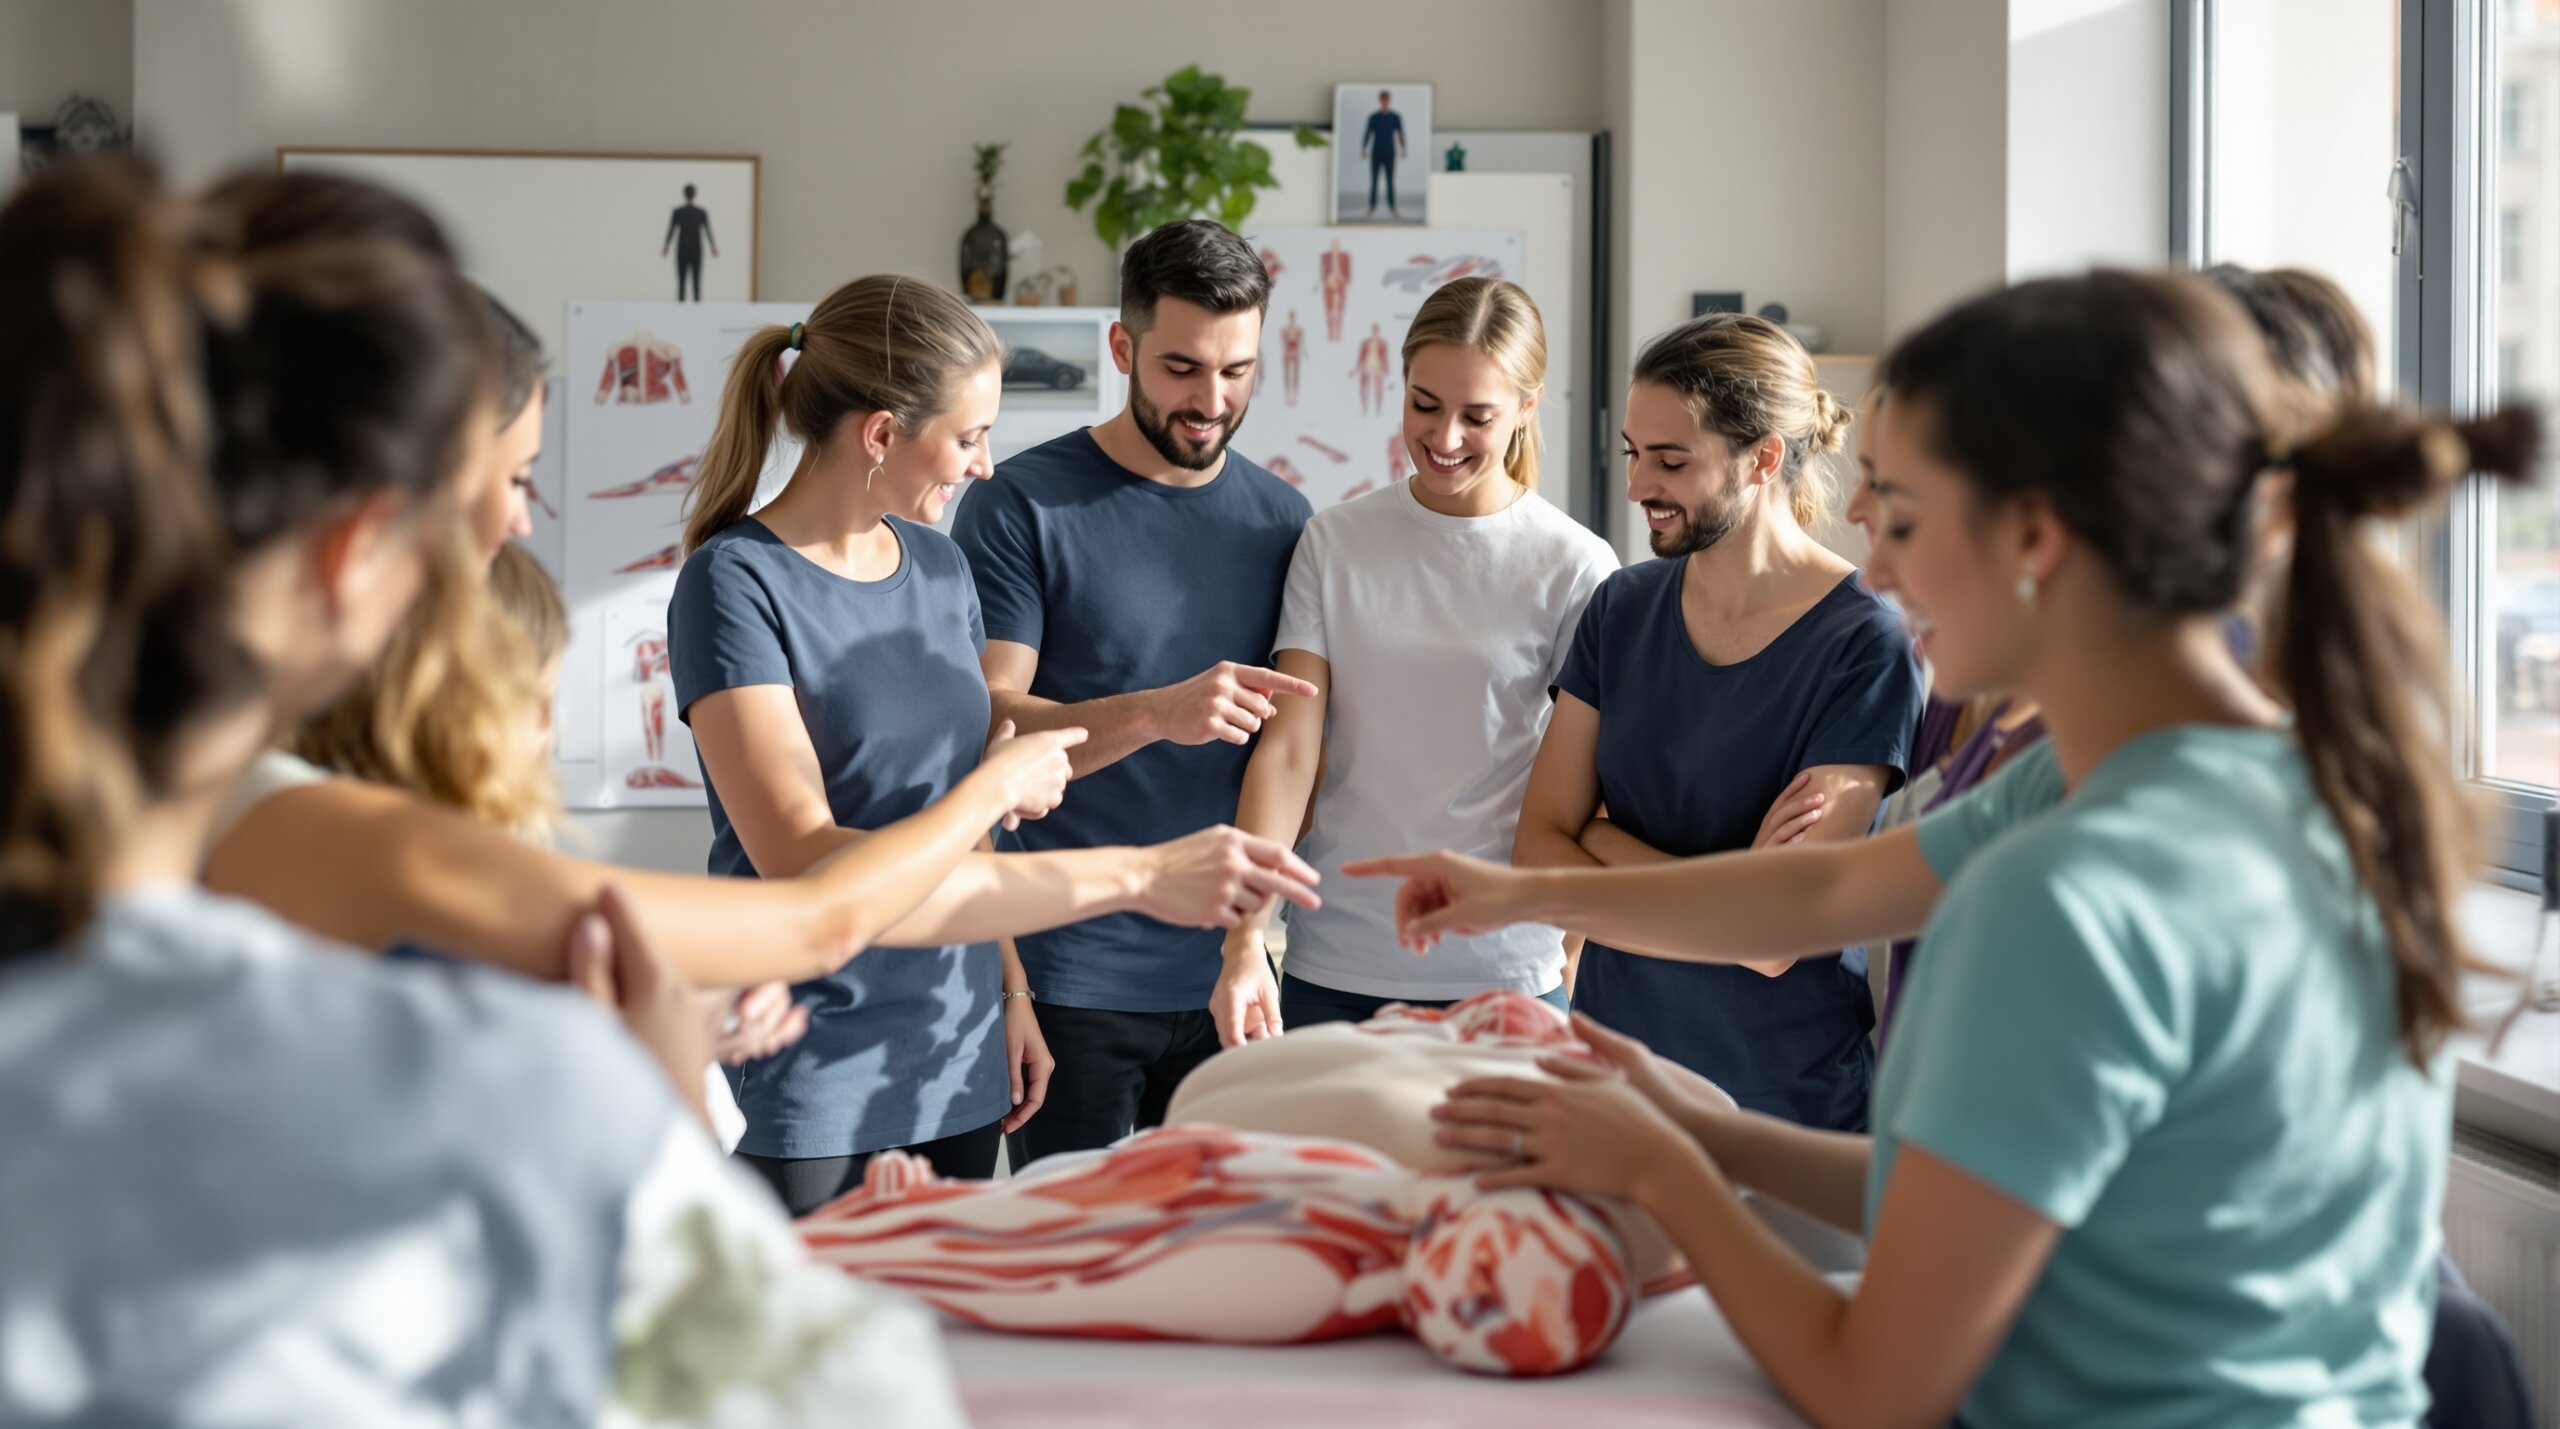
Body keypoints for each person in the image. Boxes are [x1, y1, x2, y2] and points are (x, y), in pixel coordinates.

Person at [1353, 268, 2541, 1427]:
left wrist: (1666, 1172)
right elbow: (1818, 894)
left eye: (1904, 518)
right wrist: (1673, 1106)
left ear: (2036, 534)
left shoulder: (2065, 891)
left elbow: (1874, 1387)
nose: (1874, 568)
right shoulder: (2267, 779)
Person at [0, 157, 965, 1426]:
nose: (511, 524)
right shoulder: (488, 1093)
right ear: (356, 558)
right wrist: (662, 1105)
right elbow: (847, 1402)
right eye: (503, 487)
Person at [675, 271, 1320, 1212]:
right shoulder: (734, 582)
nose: (984, 465)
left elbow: (984, 770)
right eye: (969, 437)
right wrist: (993, 787)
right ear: (883, 432)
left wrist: (1012, 988)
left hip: (957, 1053)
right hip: (812, 1066)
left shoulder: (935, 565)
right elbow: (806, 861)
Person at [953, 219, 1318, 1167]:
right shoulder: (1021, 503)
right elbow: (991, 724)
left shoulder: (1285, 521)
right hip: (1069, 975)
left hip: (1231, 981)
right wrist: (1159, 711)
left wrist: (1254, 941)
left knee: (1216, 1263)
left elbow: (1297, 748)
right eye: (1182, 368)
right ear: (1123, 347)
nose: (1212, 400)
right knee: (1072, 1267)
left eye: (1236, 370)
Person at [799, 991, 1685, 1377]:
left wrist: (925, 1231)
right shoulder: (1652, 1139)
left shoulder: (1417, 1224)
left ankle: (893, 1237)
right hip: (1439, 1100)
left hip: (1327, 1147)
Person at [1516, 312, 1921, 1132]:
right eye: (1633, 453)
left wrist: (1602, 839)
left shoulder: (1868, 641)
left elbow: (1777, 932)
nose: (1636, 487)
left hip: (1785, 1104)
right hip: (1613, 1079)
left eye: (1671, 460)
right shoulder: (1622, 609)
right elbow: (1536, 847)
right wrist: (1727, 892)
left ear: (1764, 457)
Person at [1210, 279, 1615, 1044]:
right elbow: (1291, 748)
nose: (1447, 436)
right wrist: (1246, 939)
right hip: (1337, 963)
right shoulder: (1334, 543)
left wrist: (1569, 944)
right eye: (1425, 405)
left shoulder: (1575, 565)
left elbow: (1592, 785)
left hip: (1506, 970)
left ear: (1528, 407)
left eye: (1478, 416)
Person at [664, 181, 717, 302]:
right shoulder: (700, 212)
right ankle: (695, 304)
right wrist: (713, 247)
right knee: (695, 279)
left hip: (684, 248)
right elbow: (708, 231)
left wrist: (666, 246)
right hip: (694, 249)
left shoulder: (679, 212)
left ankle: (684, 303)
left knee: (683, 280)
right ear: (694, 194)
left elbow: (671, 231)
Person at [1361, 89, 1407, 219]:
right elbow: (1367, 133)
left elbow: (1400, 133)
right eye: (1383, 100)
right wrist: (1363, 148)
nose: (1385, 102)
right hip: (1376, 152)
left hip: (1390, 153)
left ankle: (1393, 207)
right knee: (1374, 180)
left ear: (1389, 101)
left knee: (1390, 181)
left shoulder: (1395, 117)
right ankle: (1371, 206)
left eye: (1387, 100)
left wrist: (1403, 148)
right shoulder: (1373, 117)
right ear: (1380, 101)